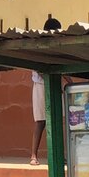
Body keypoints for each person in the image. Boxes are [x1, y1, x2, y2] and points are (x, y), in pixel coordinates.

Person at [30, 15, 62, 165]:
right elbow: (39, 69)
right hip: (41, 86)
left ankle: (57, 155)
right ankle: (33, 155)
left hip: (54, 83)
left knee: (55, 121)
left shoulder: (56, 45)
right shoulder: (38, 45)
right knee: (41, 122)